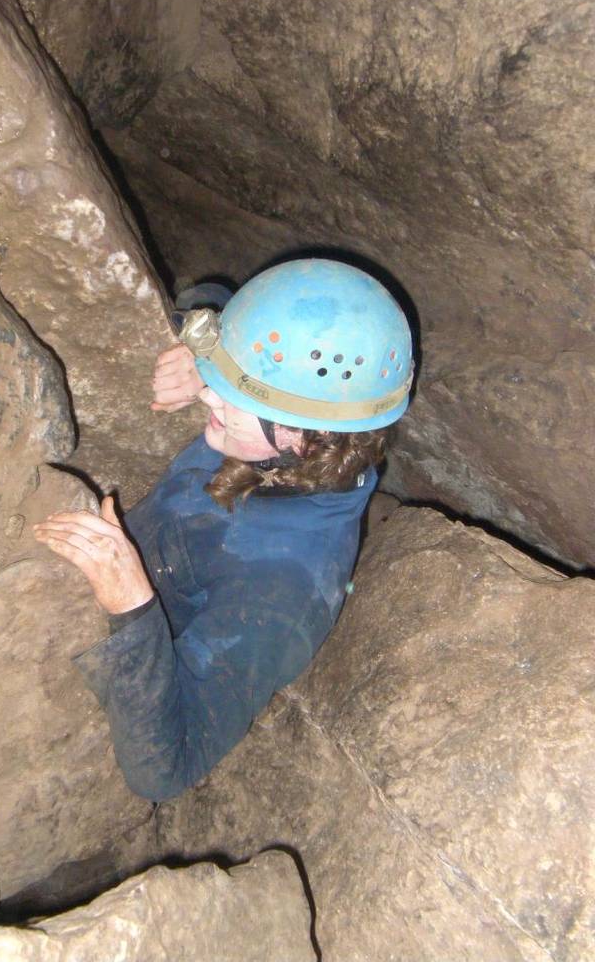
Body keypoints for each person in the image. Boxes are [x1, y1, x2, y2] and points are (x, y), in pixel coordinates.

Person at [33, 258, 414, 801]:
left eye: (236, 394)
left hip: (121, 649)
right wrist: (201, 354)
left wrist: (131, 602)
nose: (209, 397)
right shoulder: (296, 446)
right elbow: (216, 289)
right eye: (221, 383)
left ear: (306, 440)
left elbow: (164, 770)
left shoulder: (283, 592)